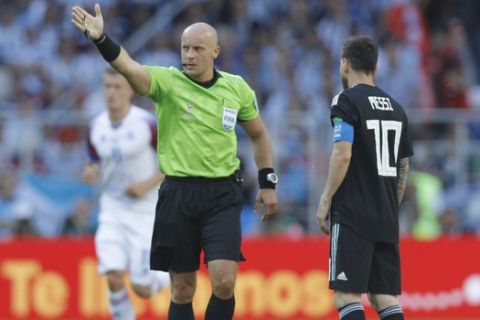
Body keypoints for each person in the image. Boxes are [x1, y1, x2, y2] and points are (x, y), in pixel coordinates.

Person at [72, 5, 278, 320]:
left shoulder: (236, 88)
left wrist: (267, 182)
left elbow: (259, 135)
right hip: (177, 195)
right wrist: (102, 39)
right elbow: (129, 68)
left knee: (224, 281)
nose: (190, 55)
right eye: (185, 48)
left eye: (198, 49)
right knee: (182, 288)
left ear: (215, 52)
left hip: (222, 194)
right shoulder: (166, 83)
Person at [316, 35, 413, 320]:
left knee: (346, 296)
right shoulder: (397, 108)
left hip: (353, 214)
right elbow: (403, 168)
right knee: (383, 297)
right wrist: (389, 206)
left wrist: (325, 201)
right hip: (386, 215)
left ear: (344, 65)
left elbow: (342, 154)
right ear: (376, 68)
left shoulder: (345, 101)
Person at [82, 68, 170, 320]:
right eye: (107, 86)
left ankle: (170, 272)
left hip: (144, 211)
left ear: (130, 90)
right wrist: (90, 172)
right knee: (113, 274)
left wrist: (146, 184)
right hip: (112, 208)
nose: (111, 92)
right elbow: (93, 161)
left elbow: (172, 161)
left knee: (142, 289)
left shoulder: (147, 124)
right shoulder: (95, 128)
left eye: (117, 87)